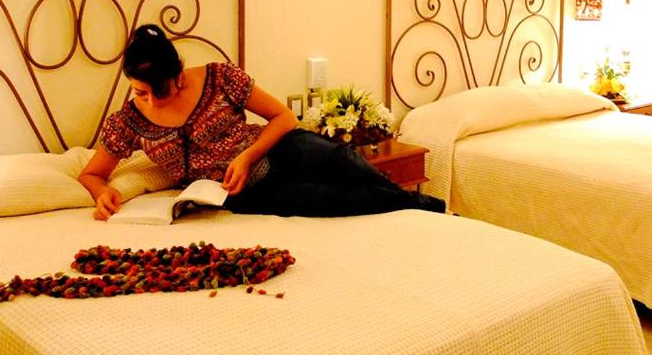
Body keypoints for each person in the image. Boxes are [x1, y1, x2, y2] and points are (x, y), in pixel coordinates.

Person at [78, 24, 445, 220]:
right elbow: (91, 174)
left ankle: (422, 204)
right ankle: (422, 207)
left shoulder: (219, 77)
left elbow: (283, 116)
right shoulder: (128, 122)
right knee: (337, 200)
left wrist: (248, 155)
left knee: (340, 161)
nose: (153, 101)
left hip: (279, 149)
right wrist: (103, 193)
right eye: (141, 93)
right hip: (242, 193)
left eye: (163, 90)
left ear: (178, 71)